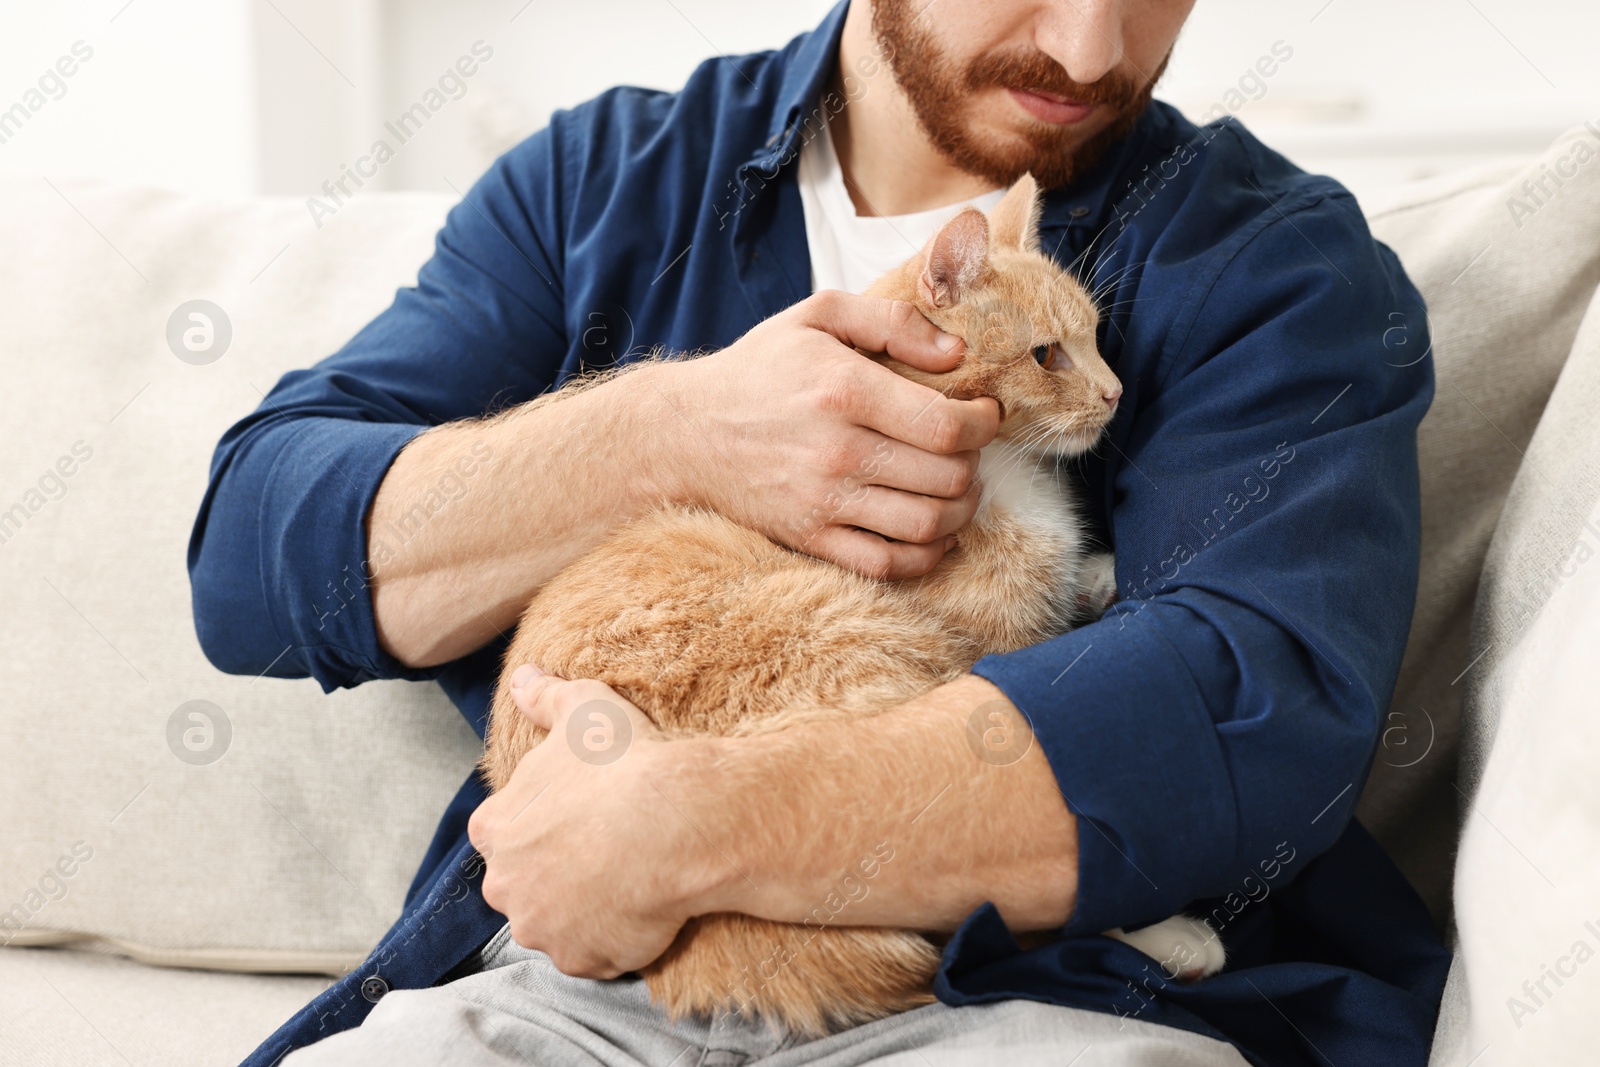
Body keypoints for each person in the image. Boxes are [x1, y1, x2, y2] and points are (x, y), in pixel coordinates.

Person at [189, 1, 1451, 1064]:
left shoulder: (1270, 263)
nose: (1086, 48)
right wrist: (663, 435)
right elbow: (252, 564)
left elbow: (1259, 704)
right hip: (584, 973)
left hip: (1032, 987)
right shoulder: (600, 183)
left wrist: (694, 823)